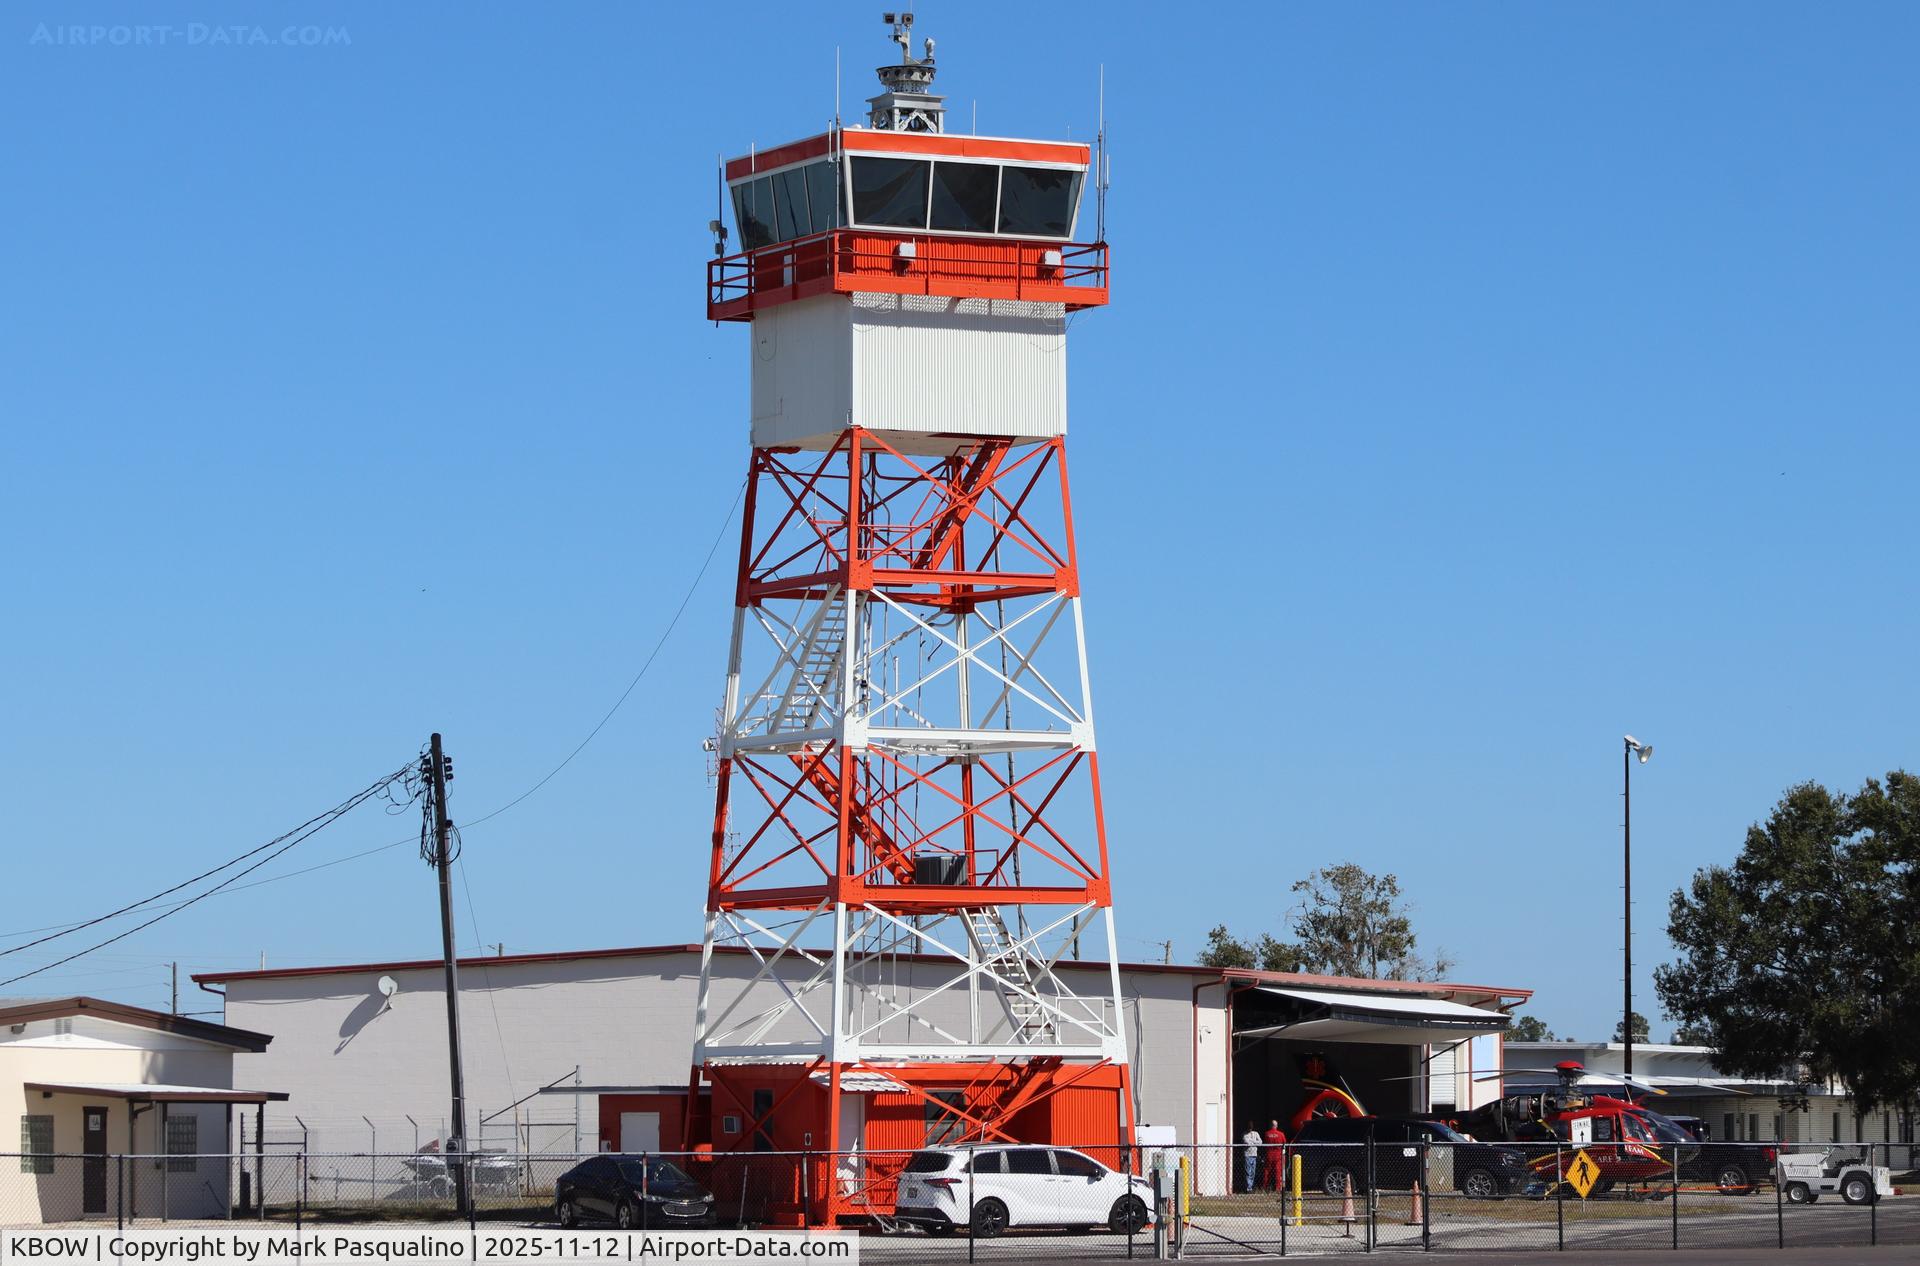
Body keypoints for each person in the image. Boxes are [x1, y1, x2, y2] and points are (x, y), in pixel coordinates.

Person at [1262, 1119, 1289, 1190]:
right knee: (1278, 1171)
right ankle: (1277, 1187)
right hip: (1278, 1155)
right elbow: (1284, 1143)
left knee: (1267, 1171)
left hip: (1269, 1154)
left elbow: (1265, 1143)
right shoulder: (1281, 1134)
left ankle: (1265, 1186)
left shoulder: (1267, 1134)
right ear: (1276, 1126)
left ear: (1271, 1125)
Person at [1241, 1123, 1263, 1193]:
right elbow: (1246, 1142)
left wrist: (1252, 1141)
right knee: (1248, 1171)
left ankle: (1251, 1186)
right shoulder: (1244, 1134)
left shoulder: (1256, 1133)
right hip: (1247, 1155)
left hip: (1254, 1154)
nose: (1250, 1129)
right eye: (1249, 1128)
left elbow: (1260, 1142)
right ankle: (1248, 1188)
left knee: (1253, 1172)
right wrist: (1255, 1142)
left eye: (1251, 1128)